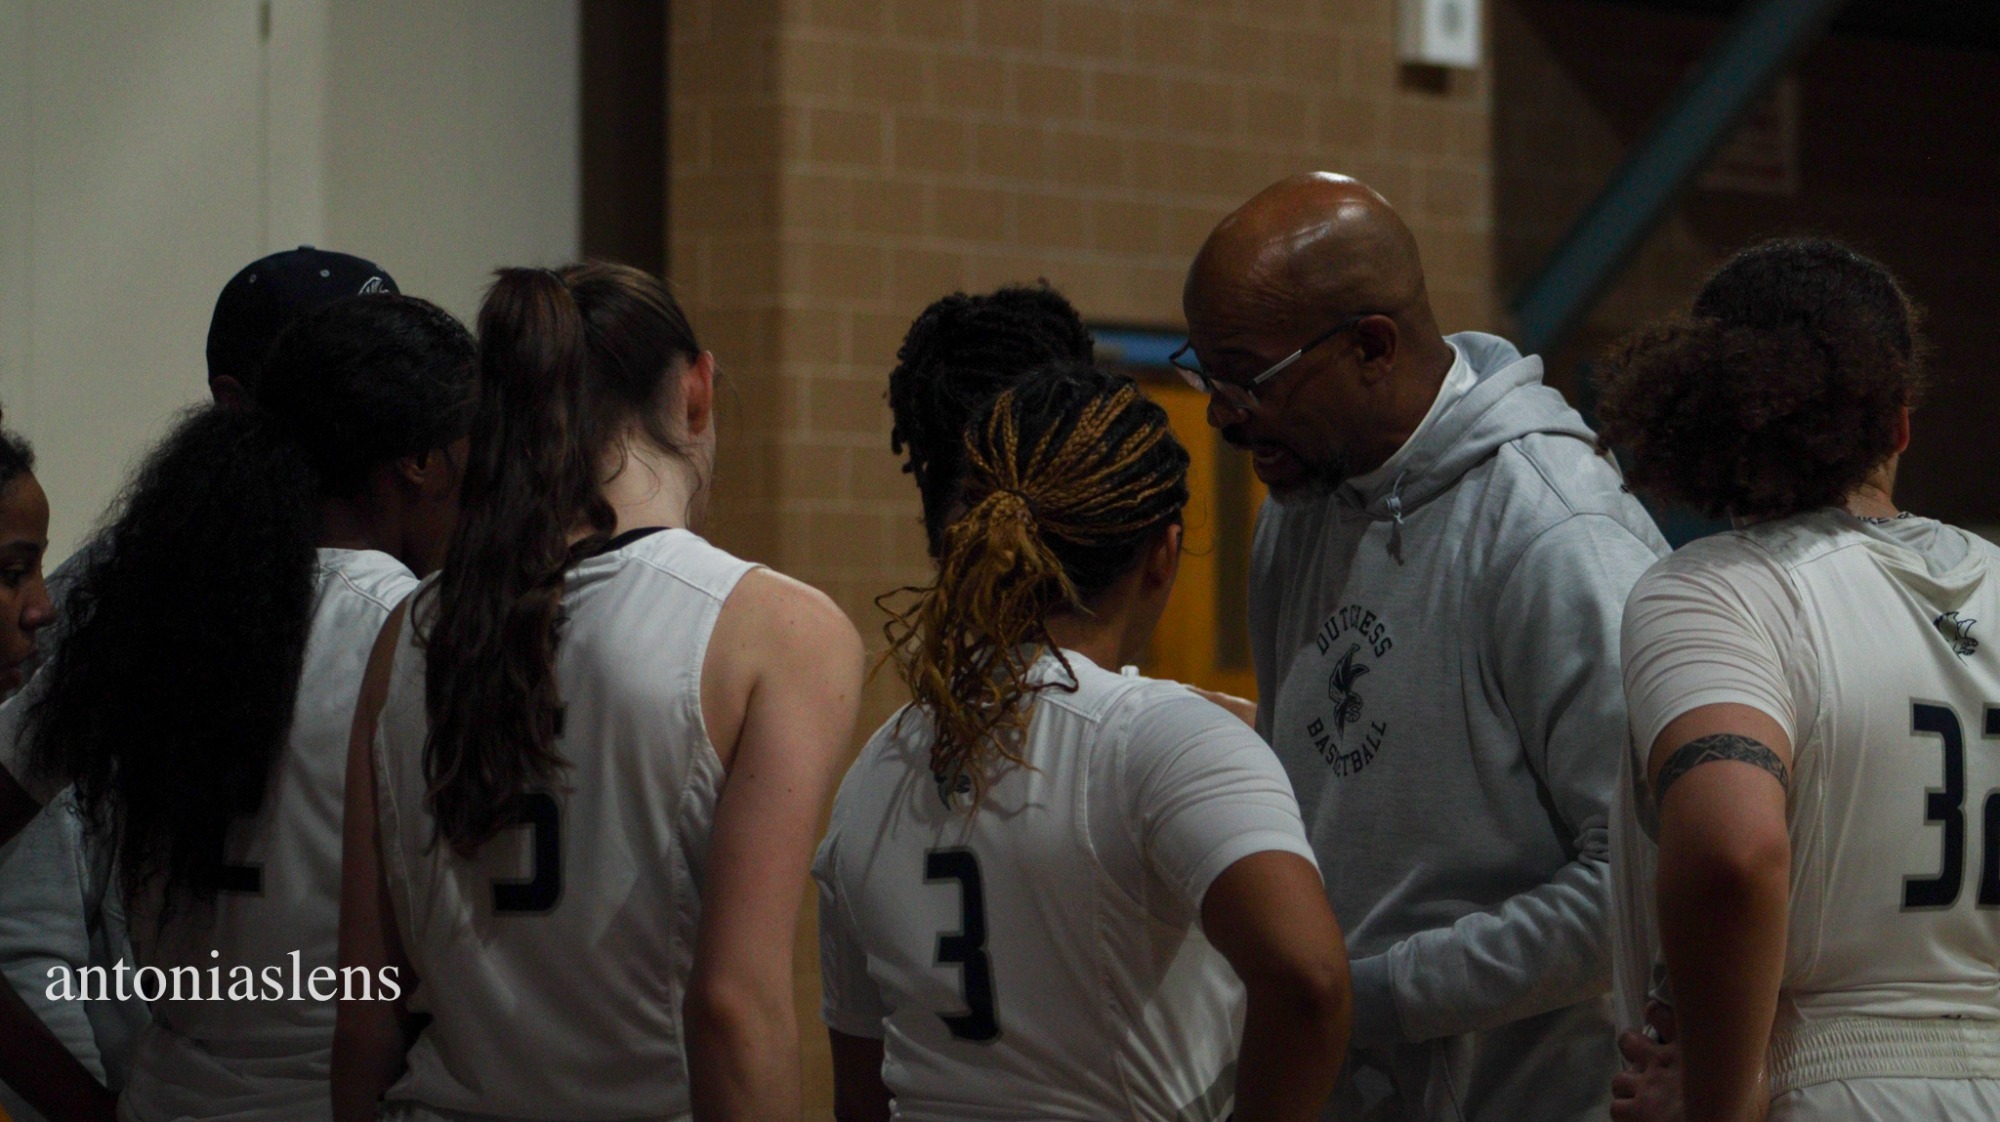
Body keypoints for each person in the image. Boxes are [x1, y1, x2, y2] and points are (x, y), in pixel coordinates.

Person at [1178, 172, 1668, 1120]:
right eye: (1207, 371)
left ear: (1371, 345)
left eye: (1249, 378)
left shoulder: (1558, 537)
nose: (1222, 414)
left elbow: (1636, 888)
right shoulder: (1304, 509)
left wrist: (1369, 997)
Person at [332, 262, 864, 1121]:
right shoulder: (778, 627)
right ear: (696, 392)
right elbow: (733, 1007)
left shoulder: (411, 629)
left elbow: (364, 1014)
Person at [819, 365, 1351, 1121]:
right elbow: (1310, 981)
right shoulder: (1167, 737)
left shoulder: (875, 769)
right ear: (1164, 555)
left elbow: (861, 1093)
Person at [0, 294, 473, 1121]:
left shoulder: (158, 614)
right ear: (423, 460)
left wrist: (80, 1107)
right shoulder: (415, 635)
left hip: (173, 1092)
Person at [1600, 238, 2000, 1122]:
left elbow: (1734, 851)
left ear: (1700, 411)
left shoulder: (1716, 589)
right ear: (1899, 423)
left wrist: (1720, 1090)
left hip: (1827, 1077)